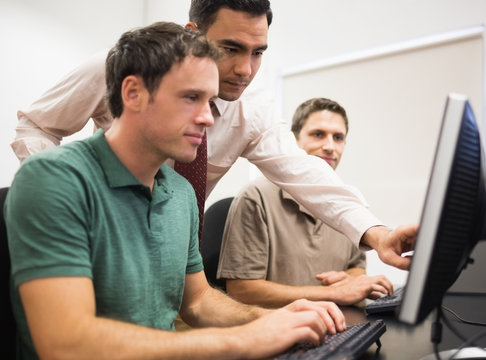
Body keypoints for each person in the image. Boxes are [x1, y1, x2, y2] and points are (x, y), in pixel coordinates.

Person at [5, 22, 346, 360]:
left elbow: (197, 301)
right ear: (133, 93)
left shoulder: (180, 192)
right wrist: (240, 341)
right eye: (191, 98)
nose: (208, 118)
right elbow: (66, 343)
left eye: (210, 100)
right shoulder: (52, 179)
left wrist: (270, 319)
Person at [11, 0, 417, 271]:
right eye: (231, 49)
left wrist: (377, 233)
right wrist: (66, 198)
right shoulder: (119, 67)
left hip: (176, 258)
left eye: (258, 52)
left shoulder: (251, 107)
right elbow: (38, 124)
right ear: (193, 33)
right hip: (103, 240)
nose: (245, 69)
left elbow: (306, 173)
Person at [218, 97, 394, 308]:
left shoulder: (350, 204)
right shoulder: (256, 198)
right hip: (279, 330)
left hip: (338, 326)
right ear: (293, 140)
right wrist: (332, 293)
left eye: (338, 137)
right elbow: (242, 291)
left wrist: (351, 279)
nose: (330, 146)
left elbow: (357, 266)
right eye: (318, 134)